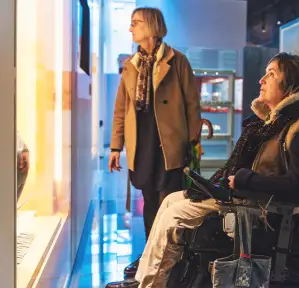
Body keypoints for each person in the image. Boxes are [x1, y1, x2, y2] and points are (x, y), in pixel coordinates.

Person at [105, 52, 299, 288]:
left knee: (175, 216)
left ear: (291, 85)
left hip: (263, 213)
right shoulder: (272, 124)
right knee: (171, 201)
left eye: (271, 74)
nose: (262, 80)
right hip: (247, 200)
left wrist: (246, 180)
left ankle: (150, 284)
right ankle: (144, 278)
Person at [108, 7, 201, 277]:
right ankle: (151, 252)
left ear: (150, 25)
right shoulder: (130, 65)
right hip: (142, 141)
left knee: (169, 199)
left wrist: (193, 143)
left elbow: (192, 104)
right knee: (148, 197)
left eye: (135, 23)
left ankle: (171, 255)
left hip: (170, 142)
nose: (130, 28)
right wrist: (116, 146)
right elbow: (120, 109)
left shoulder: (178, 61)